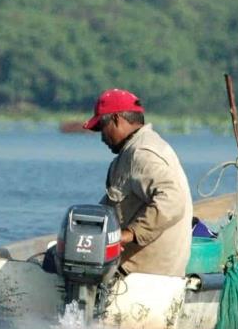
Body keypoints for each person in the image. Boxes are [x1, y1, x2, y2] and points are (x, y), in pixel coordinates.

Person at [83, 88, 193, 277]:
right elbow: (110, 207)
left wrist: (127, 235)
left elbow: (172, 200)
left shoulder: (142, 154)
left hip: (146, 274)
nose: (101, 137)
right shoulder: (133, 150)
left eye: (102, 127)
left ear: (117, 119)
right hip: (137, 269)